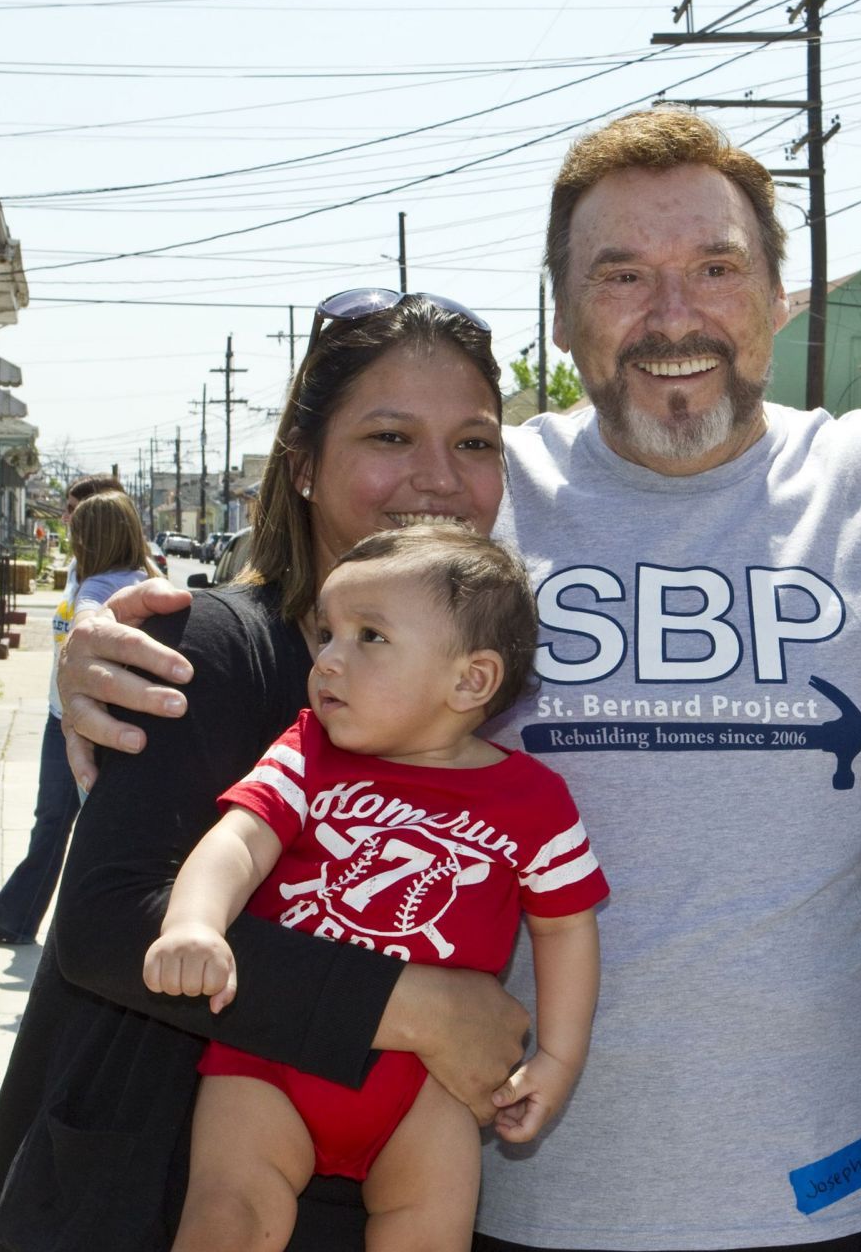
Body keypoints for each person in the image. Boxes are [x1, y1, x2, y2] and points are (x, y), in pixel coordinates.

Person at [43, 111, 861, 1252]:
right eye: (622, 276)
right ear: (562, 313)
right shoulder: (476, 515)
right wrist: (106, 648)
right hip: (504, 1195)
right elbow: (298, 631)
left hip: (831, 1197)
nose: (673, 314)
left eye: (715, 267)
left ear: (779, 296)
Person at [0, 296, 534, 1252]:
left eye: (476, 443)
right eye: (390, 435)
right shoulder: (211, 650)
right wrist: (424, 1010)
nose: (438, 477)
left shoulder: (487, 678)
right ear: (302, 464)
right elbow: (105, 925)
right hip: (154, 1190)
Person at [143, 526, 607, 1252]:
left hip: (428, 1084)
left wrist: (559, 1058)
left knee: (429, 1233)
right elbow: (238, 839)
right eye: (326, 634)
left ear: (470, 680)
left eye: (370, 637)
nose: (329, 660)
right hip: (272, 1058)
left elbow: (567, 925)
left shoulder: (534, 800)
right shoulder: (308, 752)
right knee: (226, 1218)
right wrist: (195, 923)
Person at [0, 482, 146, 946]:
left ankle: (97, 934)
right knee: (55, 822)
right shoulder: (85, 572)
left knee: (100, 834)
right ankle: (15, 920)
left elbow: (86, 623)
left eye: (74, 519)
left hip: (98, 728)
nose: (67, 527)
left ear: (99, 530)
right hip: (62, 718)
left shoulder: (116, 586)